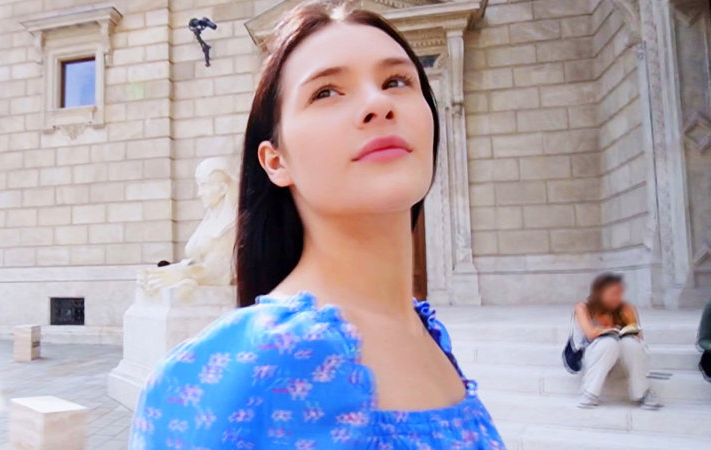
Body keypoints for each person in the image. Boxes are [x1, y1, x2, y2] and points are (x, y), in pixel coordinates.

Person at [127, 0, 505, 448]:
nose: (378, 103)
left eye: (397, 81)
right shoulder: (228, 372)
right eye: (326, 92)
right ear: (276, 161)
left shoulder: (430, 336)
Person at [572, 272, 663, 409]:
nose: (618, 297)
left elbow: (637, 334)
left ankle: (642, 392)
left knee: (631, 344)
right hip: (594, 356)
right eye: (614, 293)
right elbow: (590, 333)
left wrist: (629, 332)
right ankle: (590, 392)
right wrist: (608, 331)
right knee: (608, 343)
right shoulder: (583, 308)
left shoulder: (626, 308)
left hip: (622, 358)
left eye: (620, 293)